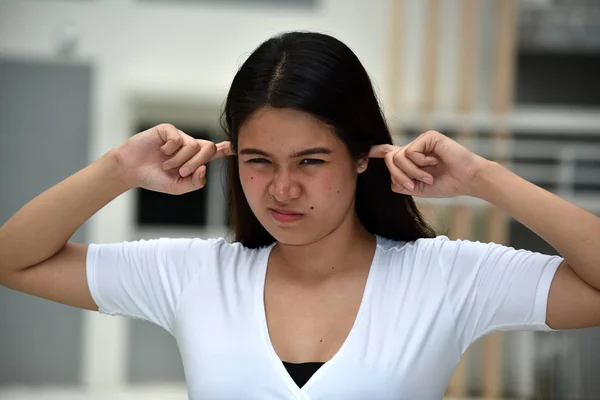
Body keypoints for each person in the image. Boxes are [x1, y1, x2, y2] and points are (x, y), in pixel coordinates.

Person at [0, 31, 599, 400]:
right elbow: (14, 259)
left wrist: (481, 179)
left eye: (311, 160)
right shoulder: (195, 274)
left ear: (364, 155)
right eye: (259, 161)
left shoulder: (445, 277)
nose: (282, 189)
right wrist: (119, 168)